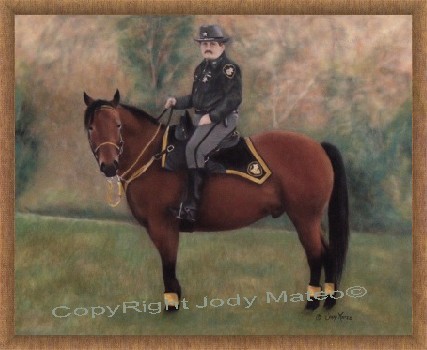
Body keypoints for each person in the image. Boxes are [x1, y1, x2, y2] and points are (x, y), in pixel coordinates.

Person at [165, 24, 242, 223]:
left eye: (212, 44)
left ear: (222, 47)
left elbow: (233, 98)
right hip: (203, 120)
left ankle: (192, 208)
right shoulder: (201, 69)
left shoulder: (229, 69)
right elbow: (196, 98)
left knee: (194, 149)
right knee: (183, 147)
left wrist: (213, 116)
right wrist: (177, 102)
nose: (207, 47)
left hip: (223, 119)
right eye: (204, 43)